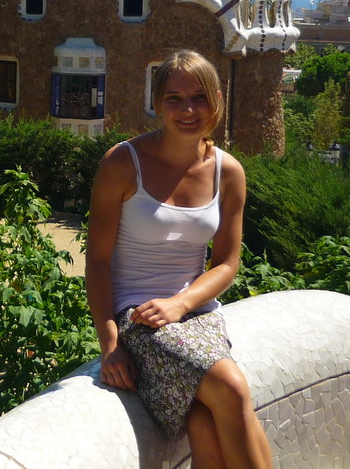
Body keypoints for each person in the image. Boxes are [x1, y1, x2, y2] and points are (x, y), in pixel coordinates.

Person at [85, 50, 272, 468]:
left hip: (195, 312)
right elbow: (97, 262)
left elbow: (226, 263)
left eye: (199, 97)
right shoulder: (123, 163)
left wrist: (181, 303)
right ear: (156, 102)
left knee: (204, 422)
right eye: (174, 98)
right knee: (231, 388)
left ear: (217, 100)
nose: (188, 110)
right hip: (139, 317)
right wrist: (110, 344)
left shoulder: (228, 172)